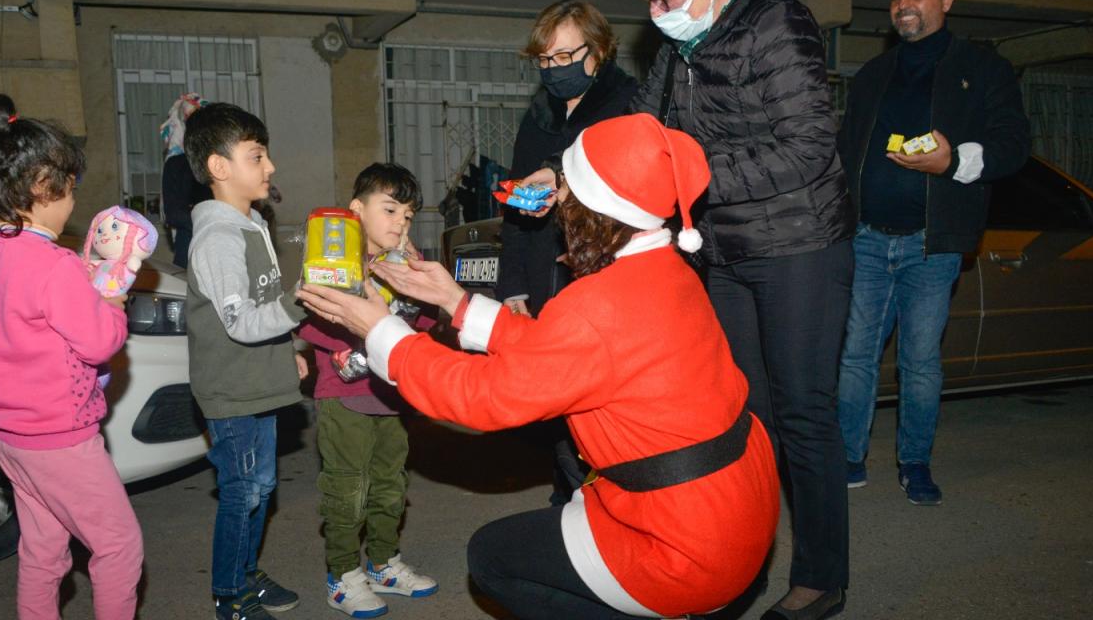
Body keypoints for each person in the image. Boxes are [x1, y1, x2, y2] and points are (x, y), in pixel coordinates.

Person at [298, 113, 781, 620]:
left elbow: (482, 397)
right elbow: (564, 352)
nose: (559, 208)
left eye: (567, 193)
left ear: (597, 208)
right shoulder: (663, 271)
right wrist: (458, 301)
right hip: (734, 506)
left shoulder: (598, 302)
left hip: (686, 544)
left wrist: (380, 330)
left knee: (492, 558)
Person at [625, 0, 856, 619]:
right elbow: (643, 125)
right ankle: (740, 562)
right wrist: (578, 172)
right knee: (744, 417)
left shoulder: (779, 24)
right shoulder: (682, 45)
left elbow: (807, 147)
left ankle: (821, 578)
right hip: (724, 251)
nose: (656, 11)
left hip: (800, 247)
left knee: (802, 415)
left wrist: (692, 180)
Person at [836, 0, 1030, 505]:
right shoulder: (875, 73)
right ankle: (849, 456)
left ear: (947, 0)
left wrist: (954, 162)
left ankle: (915, 462)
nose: (904, 5)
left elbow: (1013, 144)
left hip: (932, 243)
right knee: (856, 355)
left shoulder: (983, 68)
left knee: (920, 361)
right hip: (867, 239)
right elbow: (847, 151)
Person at [0, 93, 143, 620]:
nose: (73, 203)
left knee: (42, 552)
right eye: (70, 188)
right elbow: (100, 342)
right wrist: (111, 303)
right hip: (61, 440)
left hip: (11, 440)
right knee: (119, 546)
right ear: (41, 186)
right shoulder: (53, 265)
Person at [496, 0, 637, 505]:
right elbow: (516, 205)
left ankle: (611, 502)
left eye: (564, 57)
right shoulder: (538, 116)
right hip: (542, 276)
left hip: (605, 279)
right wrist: (512, 284)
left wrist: (563, 179)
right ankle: (569, 497)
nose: (553, 70)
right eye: (544, 60)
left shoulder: (629, 104)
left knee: (603, 400)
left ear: (598, 51)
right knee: (557, 399)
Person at [299, 163, 440, 618]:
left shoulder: (397, 264)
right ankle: (342, 575)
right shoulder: (335, 256)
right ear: (356, 210)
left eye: (408, 214)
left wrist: (417, 285)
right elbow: (311, 317)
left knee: (389, 485)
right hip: (345, 398)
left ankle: (383, 563)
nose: (400, 222)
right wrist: (359, 335)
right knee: (348, 489)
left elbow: (423, 324)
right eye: (390, 209)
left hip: (392, 395)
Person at [183, 102, 305, 619]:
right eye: (257, 156)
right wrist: (303, 300)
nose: (270, 166)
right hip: (231, 390)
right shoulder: (218, 238)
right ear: (219, 167)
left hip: (260, 381)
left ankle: (246, 574)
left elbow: (266, 300)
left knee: (262, 488)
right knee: (241, 493)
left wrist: (291, 354)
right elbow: (241, 321)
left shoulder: (252, 223)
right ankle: (229, 594)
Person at [160, 92, 213, 268]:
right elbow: (173, 213)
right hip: (191, 249)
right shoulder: (176, 163)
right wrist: (209, 221)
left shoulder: (219, 160)